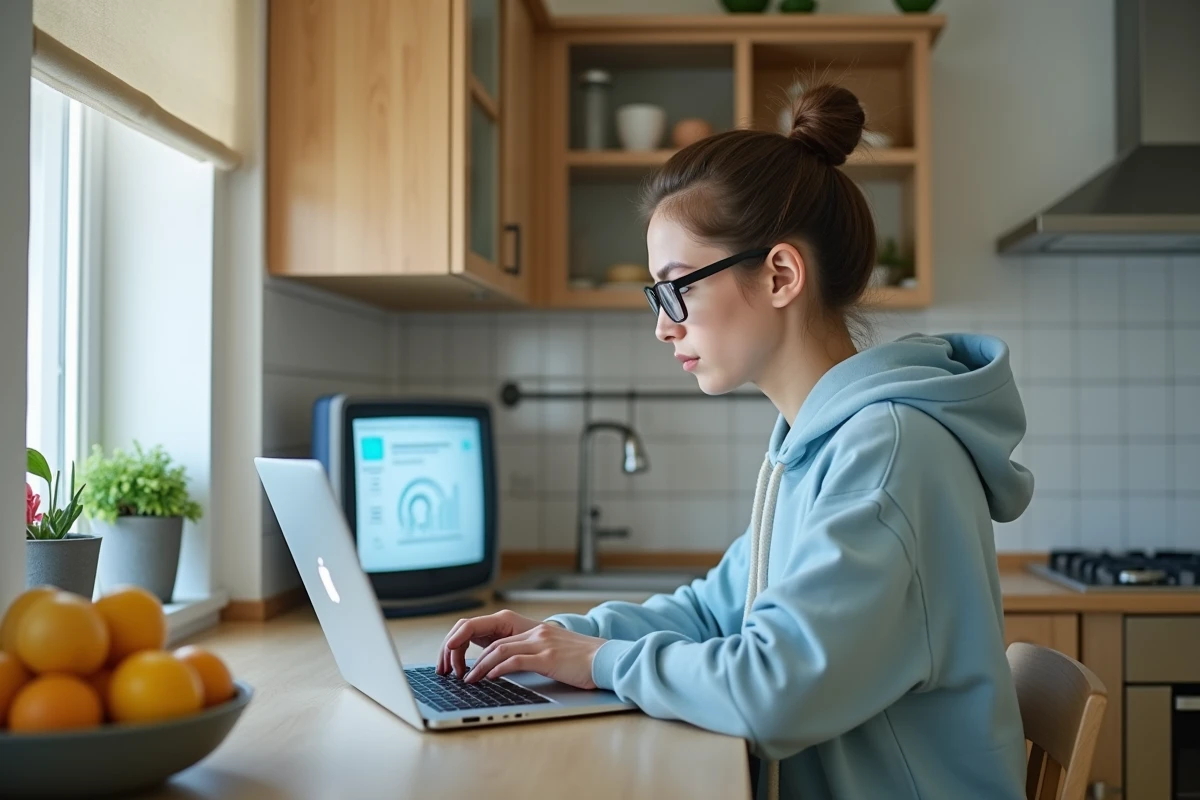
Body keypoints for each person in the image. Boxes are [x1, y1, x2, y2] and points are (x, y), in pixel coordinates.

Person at [438, 82, 1033, 800]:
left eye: (676, 287)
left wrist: (597, 659)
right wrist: (552, 637)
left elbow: (773, 692)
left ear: (780, 274)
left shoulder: (888, 454)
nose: (663, 325)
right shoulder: (817, 441)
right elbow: (715, 611)